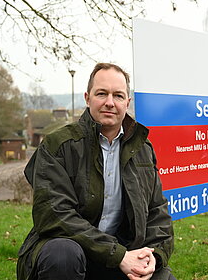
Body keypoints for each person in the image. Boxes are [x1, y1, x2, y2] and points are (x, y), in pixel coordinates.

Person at [17, 63, 175, 280]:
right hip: (74, 251)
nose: (110, 102)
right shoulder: (59, 145)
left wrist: (153, 257)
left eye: (118, 96)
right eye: (102, 93)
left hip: (122, 253)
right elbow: (55, 215)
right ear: (87, 97)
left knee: (163, 277)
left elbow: (157, 212)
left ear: (127, 102)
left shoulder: (143, 150)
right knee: (62, 255)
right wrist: (118, 255)